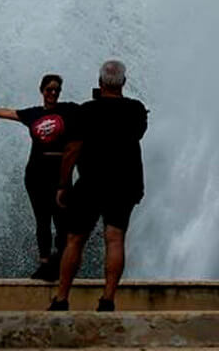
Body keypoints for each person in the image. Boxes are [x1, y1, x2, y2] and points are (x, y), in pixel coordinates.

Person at [48, 60, 148, 312]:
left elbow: (72, 149)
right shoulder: (136, 110)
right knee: (115, 239)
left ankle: (61, 298)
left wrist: (63, 184)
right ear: (123, 82)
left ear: (99, 81)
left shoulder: (86, 111)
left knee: (75, 240)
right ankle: (108, 299)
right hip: (125, 183)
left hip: (91, 182)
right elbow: (136, 133)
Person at [0, 73, 71, 280]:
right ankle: (43, 264)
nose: (52, 93)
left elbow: (93, 112)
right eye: (49, 89)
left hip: (60, 174)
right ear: (41, 90)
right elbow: (7, 113)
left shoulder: (68, 110)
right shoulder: (33, 114)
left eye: (56, 90)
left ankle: (59, 261)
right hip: (35, 174)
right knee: (42, 220)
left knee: (62, 222)